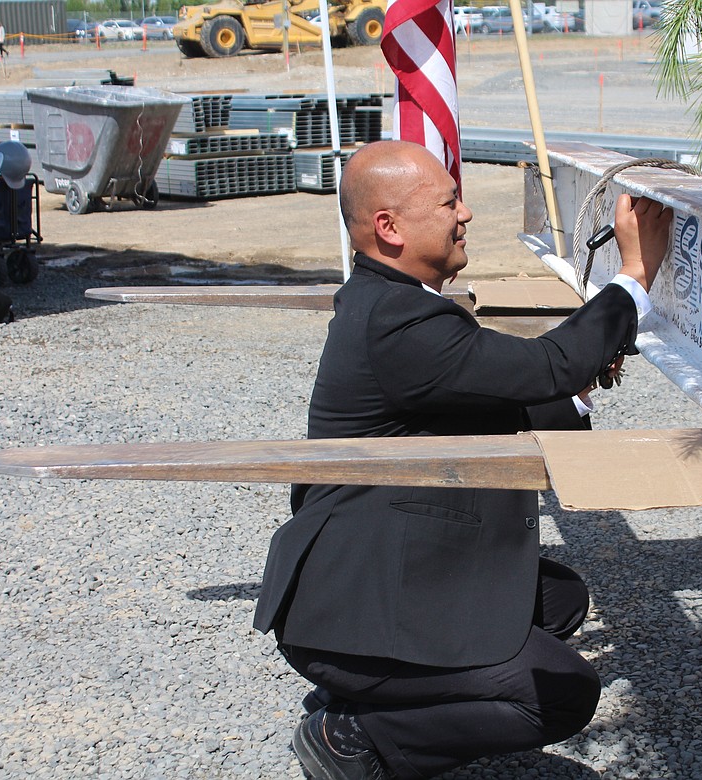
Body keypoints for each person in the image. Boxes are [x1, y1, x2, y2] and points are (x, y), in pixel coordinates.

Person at [253, 139, 672, 780]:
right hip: (348, 606)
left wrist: (577, 391)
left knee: (557, 601)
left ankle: (375, 692)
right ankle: (360, 736)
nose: (466, 214)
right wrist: (635, 277)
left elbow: (498, 400)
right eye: (450, 201)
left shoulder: (389, 301)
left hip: (367, 566)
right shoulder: (400, 322)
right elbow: (548, 365)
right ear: (388, 228)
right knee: (562, 692)